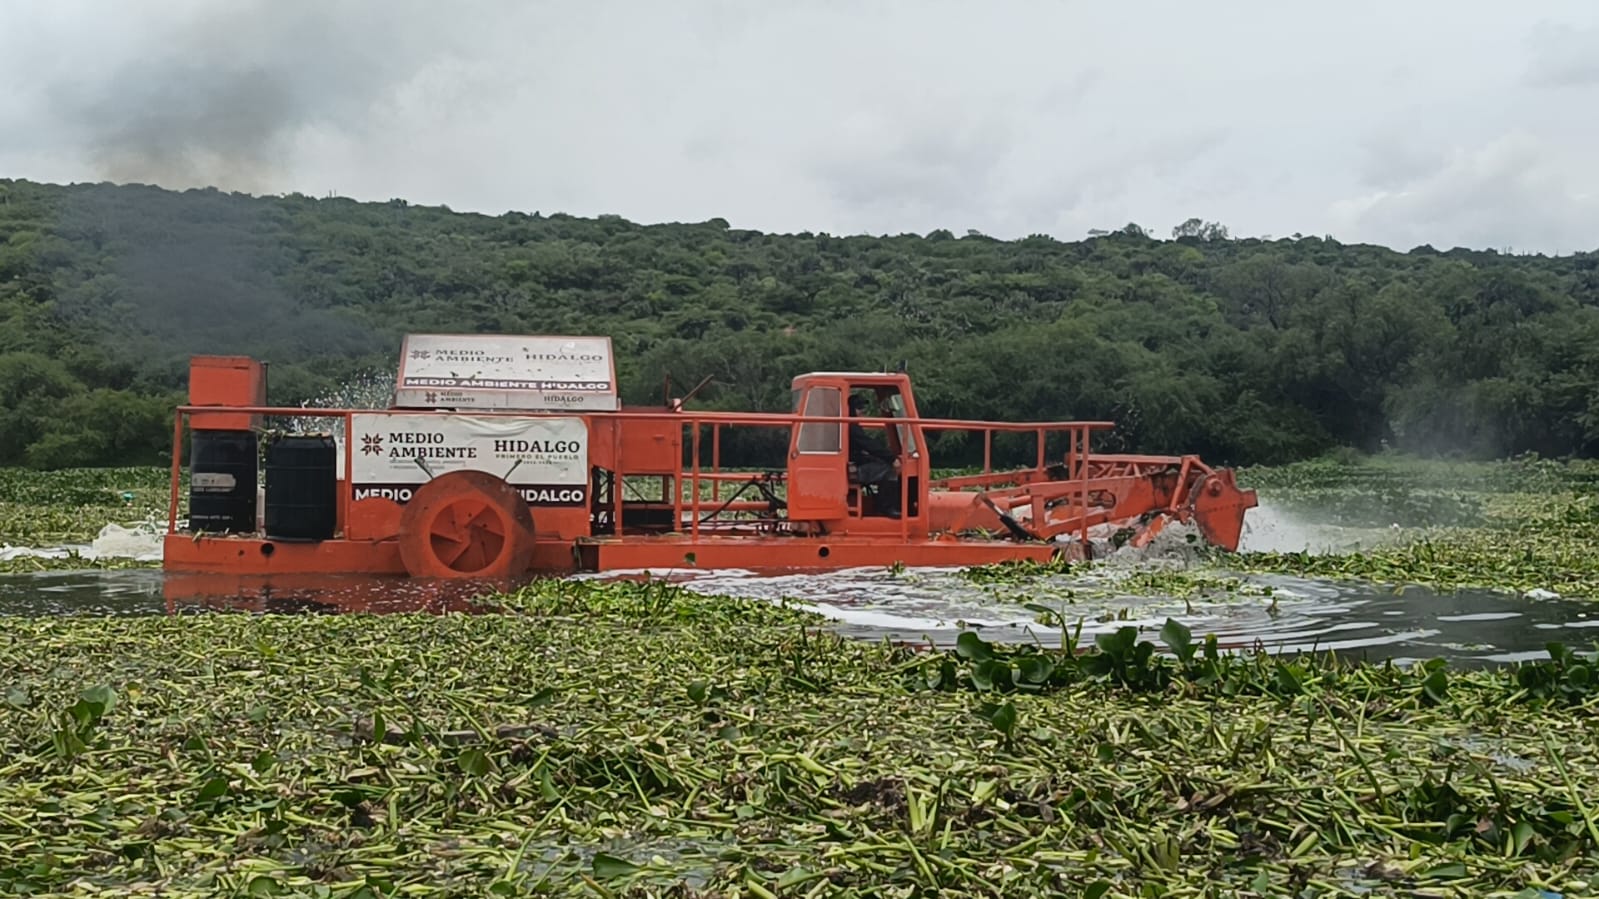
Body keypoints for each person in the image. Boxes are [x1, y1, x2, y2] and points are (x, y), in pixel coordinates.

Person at [848, 393, 901, 517]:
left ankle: (882, 504)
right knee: (889, 470)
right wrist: (891, 458)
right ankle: (887, 508)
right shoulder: (851, 427)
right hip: (855, 466)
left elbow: (867, 446)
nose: (862, 412)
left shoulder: (851, 426)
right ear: (851, 409)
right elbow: (868, 444)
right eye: (859, 408)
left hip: (855, 462)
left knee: (880, 463)